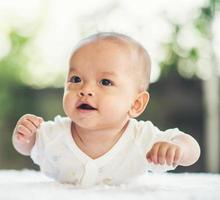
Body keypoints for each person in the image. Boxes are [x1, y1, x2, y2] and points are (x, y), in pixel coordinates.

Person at [12, 32, 201, 186]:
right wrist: (24, 136)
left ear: (136, 104)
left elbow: (192, 149)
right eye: (76, 79)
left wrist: (178, 149)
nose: (85, 90)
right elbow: (28, 148)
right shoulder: (55, 134)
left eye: (105, 82)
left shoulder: (141, 138)